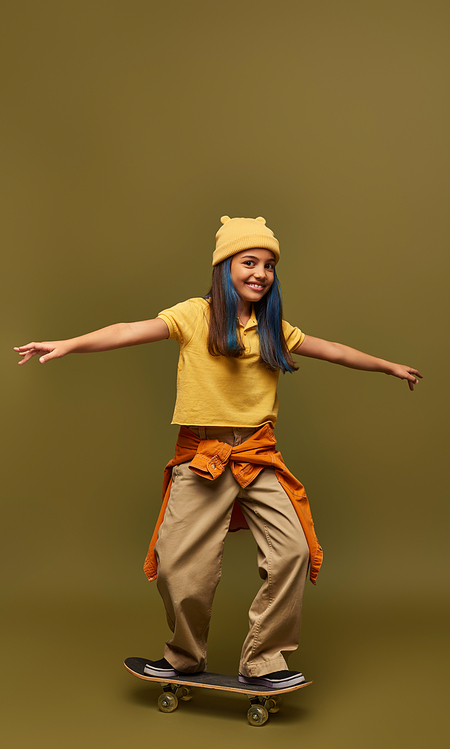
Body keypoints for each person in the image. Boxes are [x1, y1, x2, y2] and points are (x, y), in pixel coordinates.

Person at [14, 215, 422, 689]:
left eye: (268, 265)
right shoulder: (194, 316)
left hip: (257, 458)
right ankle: (185, 657)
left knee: (292, 552)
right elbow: (127, 329)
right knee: (178, 566)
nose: (260, 273)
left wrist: (389, 366)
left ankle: (266, 662)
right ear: (225, 266)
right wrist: (69, 344)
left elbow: (333, 350)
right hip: (202, 458)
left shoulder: (274, 329)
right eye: (249, 262)